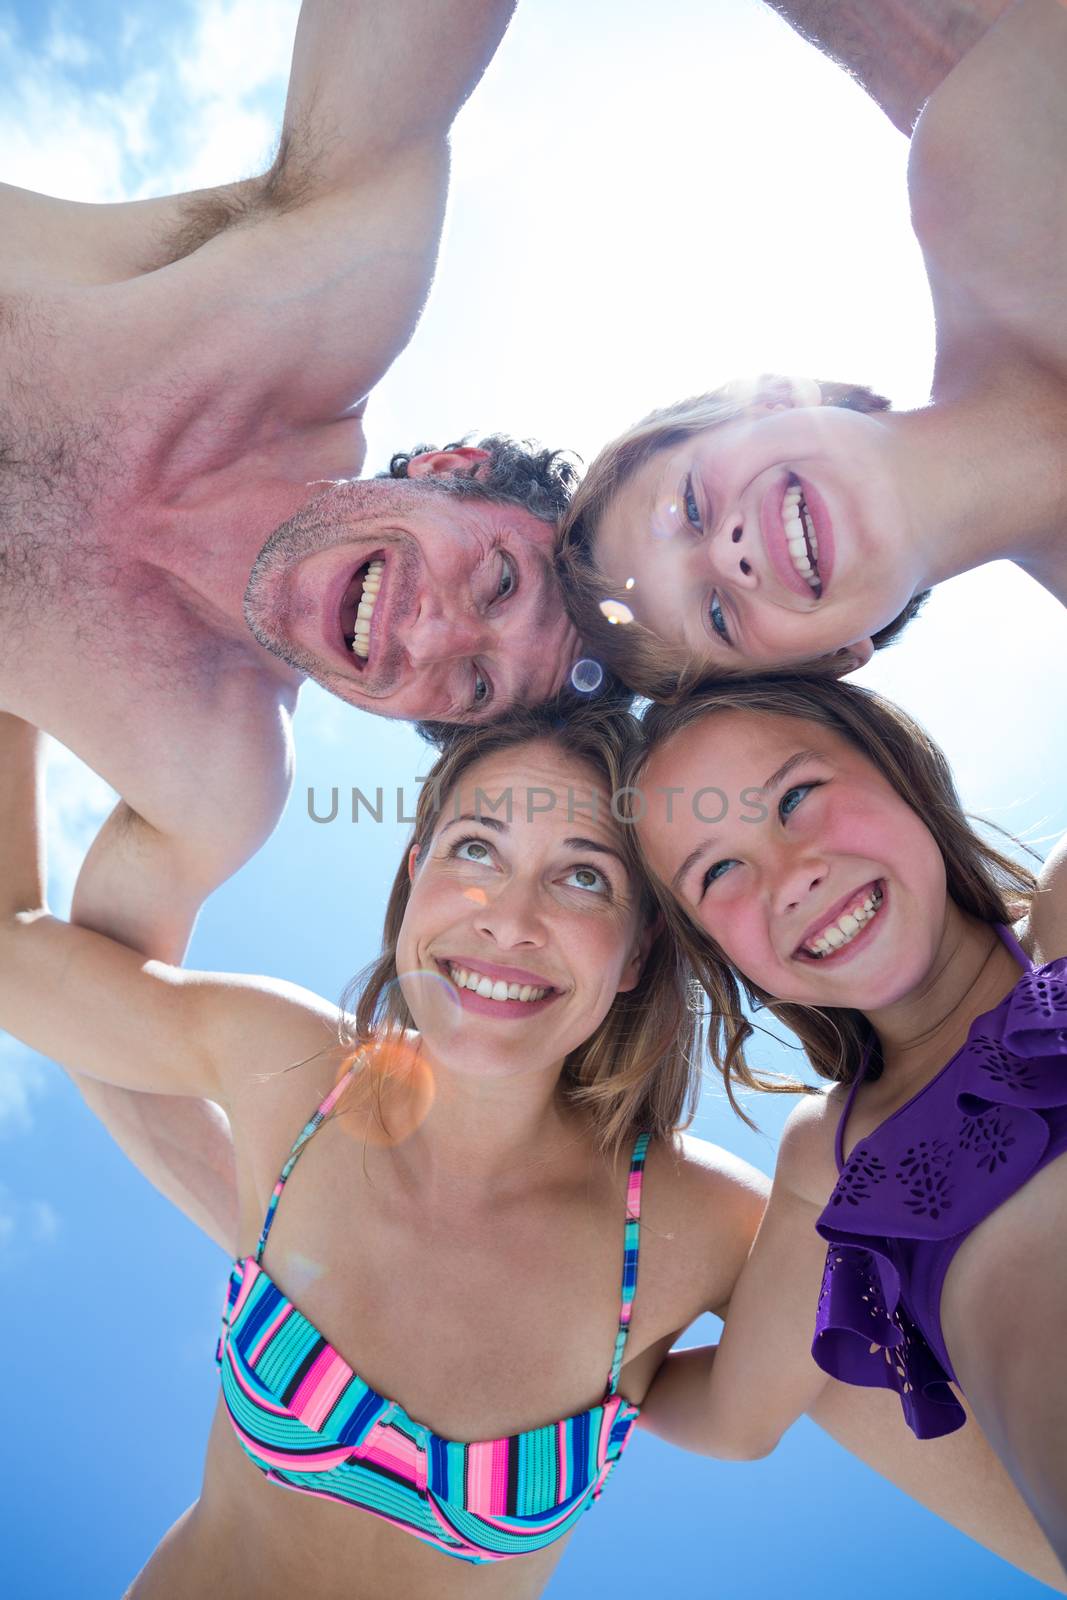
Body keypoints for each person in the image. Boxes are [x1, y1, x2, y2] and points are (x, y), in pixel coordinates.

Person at [2, 704, 1064, 1595]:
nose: (510, 918)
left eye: (584, 877)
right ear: (413, 867)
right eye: (475, 850)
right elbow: (14, 955)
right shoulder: (286, 1069)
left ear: (643, 946)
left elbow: (931, 1467)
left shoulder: (705, 1226)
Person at [0, 0, 582, 975]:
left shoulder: (215, 772)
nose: (432, 634)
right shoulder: (309, 307)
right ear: (448, 470)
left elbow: (86, 988)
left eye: (473, 685)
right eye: (498, 582)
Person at [626, 675, 1067, 1569]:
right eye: (718, 870)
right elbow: (736, 1417)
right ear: (720, 956)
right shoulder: (834, 1163)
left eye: (795, 797)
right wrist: (606, 1363)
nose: (791, 876)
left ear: (900, 768)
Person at [556, 0, 1067, 696]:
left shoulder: (989, 181)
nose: (727, 556)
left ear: (767, 400)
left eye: (692, 508)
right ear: (834, 659)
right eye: (715, 616)